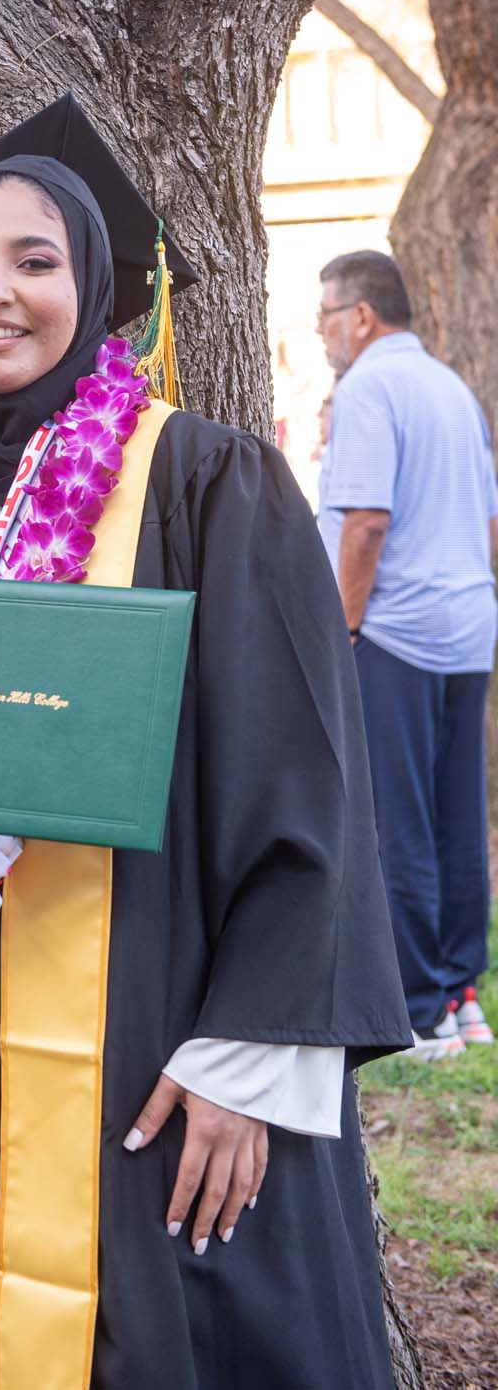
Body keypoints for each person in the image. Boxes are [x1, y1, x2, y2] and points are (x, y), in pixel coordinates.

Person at [0, 98, 412, 1390]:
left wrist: (250, 1056)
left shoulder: (206, 483)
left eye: (36, 260)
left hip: (152, 1022)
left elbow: (307, 783)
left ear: (95, 287)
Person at [316, 249, 498, 1060]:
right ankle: (463, 996)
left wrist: (344, 631)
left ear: (360, 317)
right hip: (466, 629)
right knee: (460, 817)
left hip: (394, 633)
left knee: (399, 821)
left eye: (324, 314)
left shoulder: (368, 387)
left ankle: (421, 1012)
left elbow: (365, 524)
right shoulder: (450, 387)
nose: (319, 332)